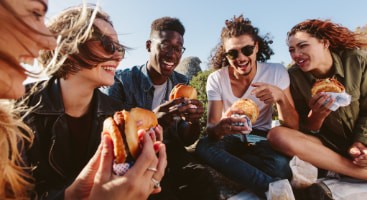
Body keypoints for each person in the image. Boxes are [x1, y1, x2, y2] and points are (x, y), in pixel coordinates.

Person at [0, 1, 166, 199]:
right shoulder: (16, 110)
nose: (118, 56)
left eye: (119, 49)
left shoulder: (117, 114)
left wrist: (139, 166)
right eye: (107, 45)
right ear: (66, 48)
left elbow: (118, 176)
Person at [103, 17, 218, 199]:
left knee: (204, 181)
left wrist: (194, 121)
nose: (172, 55)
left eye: (178, 48)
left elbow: (187, 140)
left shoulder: (182, 83)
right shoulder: (122, 81)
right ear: (149, 46)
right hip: (137, 157)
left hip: (171, 151)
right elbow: (111, 136)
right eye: (165, 46)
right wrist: (155, 120)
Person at [194, 14, 298, 197]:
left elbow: (293, 126)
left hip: (262, 138)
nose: (241, 58)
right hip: (230, 138)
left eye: (247, 49)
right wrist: (222, 126)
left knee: (281, 167)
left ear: (256, 46)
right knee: (203, 147)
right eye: (233, 53)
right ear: (226, 55)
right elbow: (211, 129)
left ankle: (237, 168)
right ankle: (272, 189)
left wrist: (281, 98)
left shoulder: (276, 72)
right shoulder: (216, 79)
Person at [267, 19, 367, 181]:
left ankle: (342, 167)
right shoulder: (294, 77)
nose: (296, 54)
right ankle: (359, 173)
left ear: (325, 43)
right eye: (292, 49)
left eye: (303, 46)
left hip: (362, 140)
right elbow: (300, 130)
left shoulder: (357, 61)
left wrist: (360, 143)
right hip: (327, 147)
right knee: (277, 135)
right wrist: (316, 117)